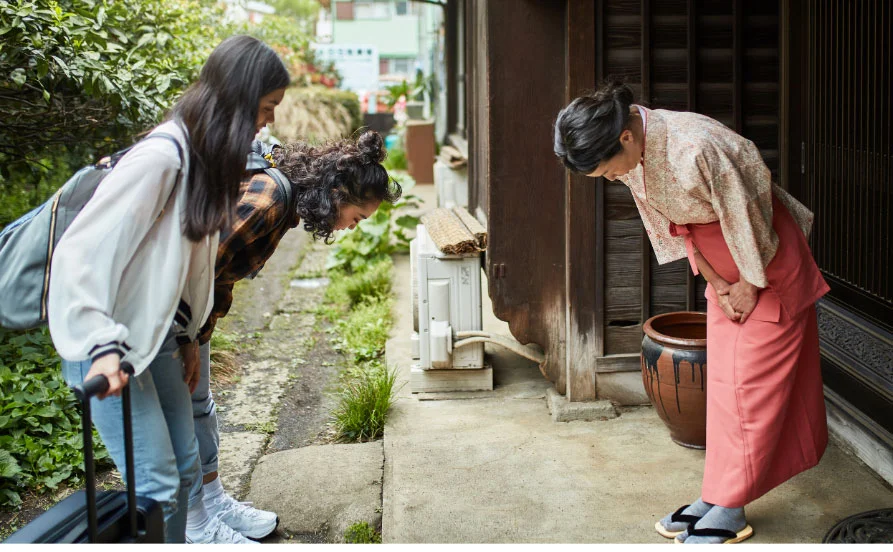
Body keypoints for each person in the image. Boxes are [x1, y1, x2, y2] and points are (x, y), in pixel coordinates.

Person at [554, 81, 829, 544]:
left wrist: (749, 282)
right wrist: (716, 283)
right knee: (723, 386)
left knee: (750, 390)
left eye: (605, 171)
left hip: (766, 264)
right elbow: (668, 222)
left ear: (625, 136)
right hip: (724, 272)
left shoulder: (693, 147)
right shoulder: (634, 149)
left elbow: (749, 217)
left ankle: (732, 507)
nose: (608, 178)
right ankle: (716, 494)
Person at [48, 35, 290, 543]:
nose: (268, 122)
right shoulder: (161, 159)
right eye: (266, 108)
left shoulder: (205, 162)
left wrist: (189, 338)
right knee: (158, 483)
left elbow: (187, 268)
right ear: (238, 99)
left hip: (157, 336)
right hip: (107, 345)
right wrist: (100, 348)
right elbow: (79, 255)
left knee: (183, 470)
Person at [185, 130, 402, 543]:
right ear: (337, 194)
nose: (352, 228)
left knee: (199, 409)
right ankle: (195, 527)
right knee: (182, 418)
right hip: (172, 322)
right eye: (356, 218)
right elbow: (191, 268)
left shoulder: (285, 200)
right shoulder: (269, 199)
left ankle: (212, 502)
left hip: (195, 320)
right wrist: (184, 340)